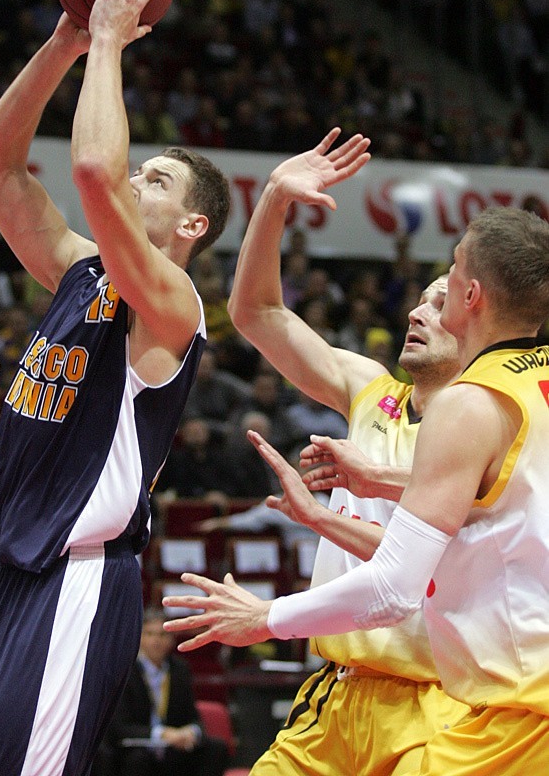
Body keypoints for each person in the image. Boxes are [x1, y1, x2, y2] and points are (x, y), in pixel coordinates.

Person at [0, 0, 230, 776]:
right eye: (139, 171)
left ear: (189, 228)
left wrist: (111, 41)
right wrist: (66, 43)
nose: (136, 180)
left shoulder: (173, 305)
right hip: (20, 570)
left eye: (156, 180)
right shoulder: (83, 270)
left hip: (80, 575)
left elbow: (89, 169)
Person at [166, 203, 549, 775]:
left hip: (448, 698)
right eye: (419, 298)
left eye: (443, 294)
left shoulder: (471, 410)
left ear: (474, 299)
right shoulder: (377, 393)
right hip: (342, 687)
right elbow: (257, 312)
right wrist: (274, 197)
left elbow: (408, 575)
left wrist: (270, 611)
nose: (420, 311)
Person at [100, 607, 229, 776]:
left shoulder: (180, 670)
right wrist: (162, 734)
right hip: (136, 747)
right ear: (139, 637)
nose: (156, 641)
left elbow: (193, 717)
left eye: (162, 635)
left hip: (171, 747)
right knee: (139, 759)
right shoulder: (124, 670)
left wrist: (191, 732)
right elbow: (119, 727)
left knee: (216, 748)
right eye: (150, 634)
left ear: (171, 640)